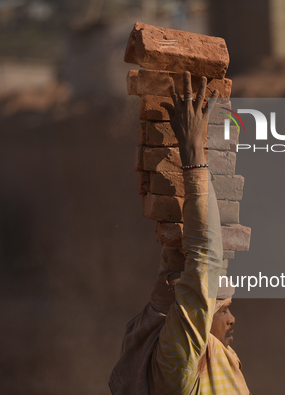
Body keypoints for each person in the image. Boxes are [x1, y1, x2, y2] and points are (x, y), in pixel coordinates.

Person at [109, 72, 250, 394]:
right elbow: (203, 265)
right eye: (224, 311)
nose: (231, 320)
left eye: (225, 309)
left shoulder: (175, 359)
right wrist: (193, 154)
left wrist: (193, 155)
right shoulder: (178, 365)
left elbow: (198, 264)